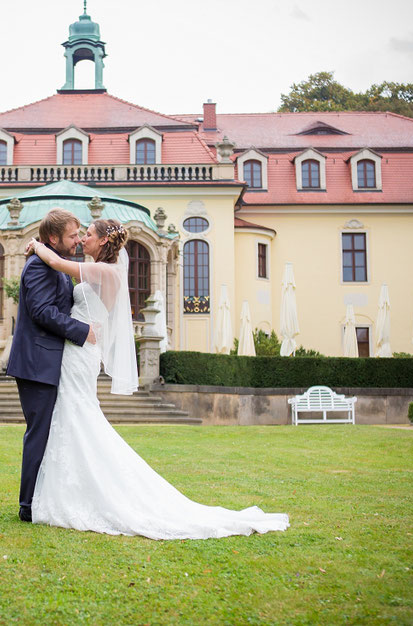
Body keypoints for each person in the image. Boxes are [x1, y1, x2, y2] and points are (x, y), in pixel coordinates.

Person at [27, 218, 290, 540]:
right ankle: (66, 488)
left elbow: (54, 261)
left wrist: (36, 245)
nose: (82, 239)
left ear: (104, 242)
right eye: (78, 235)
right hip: (76, 349)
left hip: (80, 350)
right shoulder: (98, 270)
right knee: (73, 415)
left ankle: (75, 491)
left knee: (78, 414)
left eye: (88, 235)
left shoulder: (105, 272)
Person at [6, 209, 95, 523]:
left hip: (50, 362)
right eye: (72, 235)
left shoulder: (53, 264)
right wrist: (83, 332)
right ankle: (28, 505)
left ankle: (43, 498)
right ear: (54, 238)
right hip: (36, 363)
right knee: (39, 433)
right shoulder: (38, 267)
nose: (78, 241)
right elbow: (42, 312)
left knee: (50, 433)